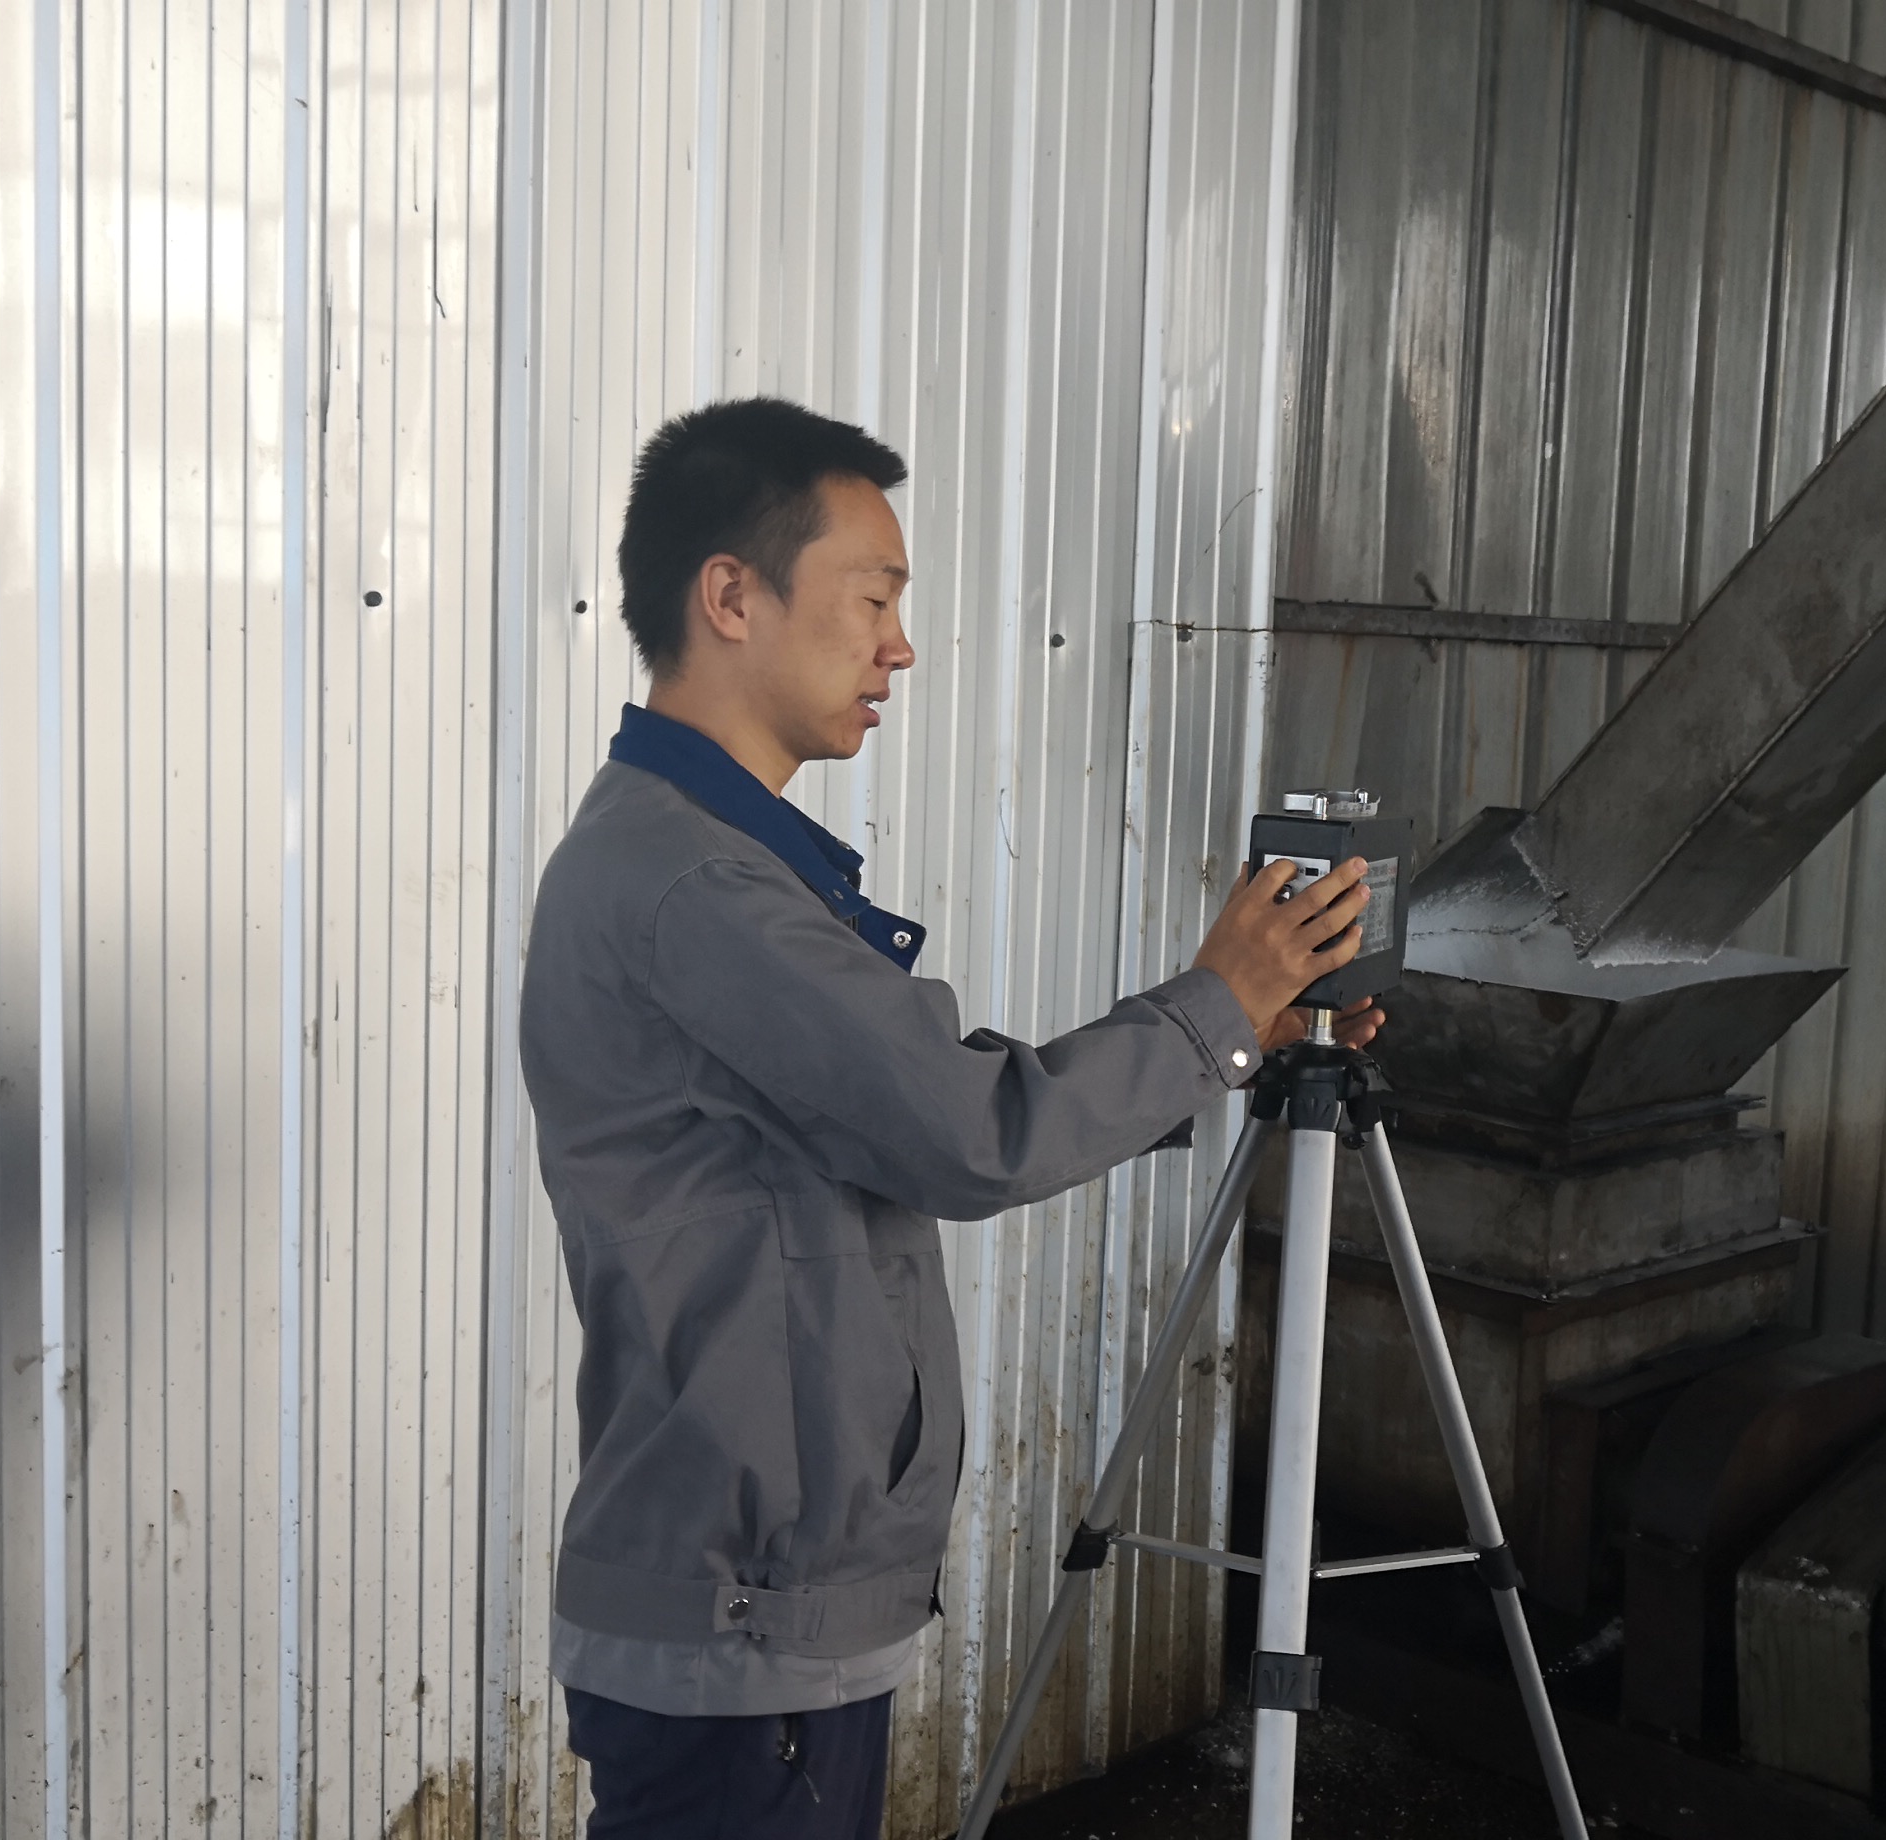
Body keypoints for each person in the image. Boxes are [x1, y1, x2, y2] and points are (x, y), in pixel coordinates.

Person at [518, 397, 1381, 1838]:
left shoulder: (711, 862)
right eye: (873, 598)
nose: (900, 646)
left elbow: (919, 1102)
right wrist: (1214, 1011)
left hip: (760, 1613)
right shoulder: (697, 886)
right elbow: (971, 1131)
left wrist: (1236, 1032)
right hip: (744, 1627)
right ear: (730, 595)